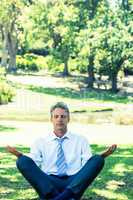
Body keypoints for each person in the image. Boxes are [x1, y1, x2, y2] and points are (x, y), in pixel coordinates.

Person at [6, 102, 117, 200]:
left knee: (97, 160)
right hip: (49, 183)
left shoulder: (81, 140)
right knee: (22, 161)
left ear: (68, 119)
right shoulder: (40, 141)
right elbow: (33, 161)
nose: (60, 119)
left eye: (63, 116)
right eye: (56, 116)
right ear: (51, 119)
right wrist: (21, 156)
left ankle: (61, 197)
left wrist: (102, 155)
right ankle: (65, 197)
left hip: (74, 182)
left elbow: (87, 165)